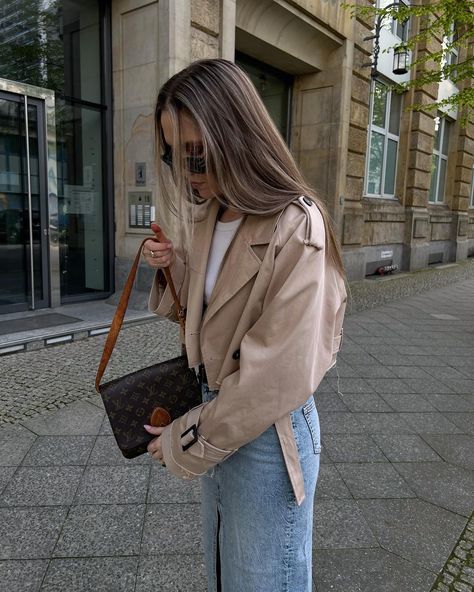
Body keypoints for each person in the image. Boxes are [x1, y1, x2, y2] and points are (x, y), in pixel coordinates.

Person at [142, 58, 347, 592]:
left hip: (266, 430)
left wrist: (181, 443)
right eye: (173, 155)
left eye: (197, 157)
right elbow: (217, 317)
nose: (188, 173)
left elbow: (274, 374)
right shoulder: (215, 211)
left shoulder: (298, 224)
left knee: (263, 579)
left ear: (236, 138)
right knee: (227, 574)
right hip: (220, 413)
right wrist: (175, 268)